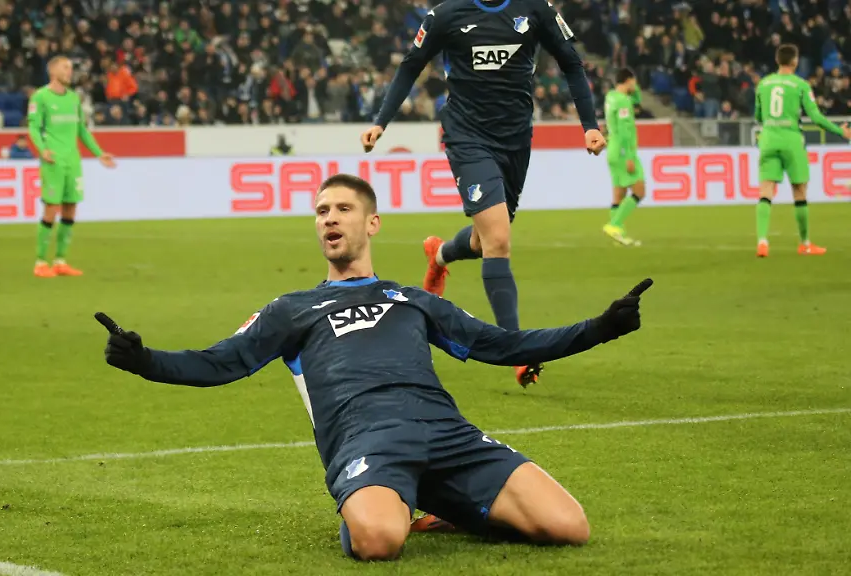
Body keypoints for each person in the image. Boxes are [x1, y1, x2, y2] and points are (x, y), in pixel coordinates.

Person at [96, 174, 653, 561]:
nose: (328, 220)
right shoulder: (292, 309)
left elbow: (500, 344)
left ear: (373, 223)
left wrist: (600, 327)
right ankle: (386, 502)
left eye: (342, 209)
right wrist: (142, 360)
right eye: (320, 212)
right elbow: (220, 362)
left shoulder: (412, 298)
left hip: (446, 431)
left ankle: (437, 498)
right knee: (380, 542)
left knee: (568, 527)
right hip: (367, 441)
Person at [360, 0, 607, 388]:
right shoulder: (446, 15)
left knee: (483, 239)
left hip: (515, 141)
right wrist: (381, 122)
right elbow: (411, 64)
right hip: (467, 137)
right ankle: (518, 351)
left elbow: (572, 63)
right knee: (498, 239)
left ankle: (440, 254)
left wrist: (588, 125)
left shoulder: (536, 10)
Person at [753, 44, 851, 258]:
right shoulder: (800, 85)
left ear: (778, 60)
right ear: (795, 61)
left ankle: (762, 241)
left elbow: (758, 116)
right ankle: (804, 243)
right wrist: (840, 131)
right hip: (791, 139)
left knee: (765, 191)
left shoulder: (763, 84)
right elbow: (815, 118)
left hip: (768, 138)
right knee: (799, 191)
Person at [28, 55, 116, 278]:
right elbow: (33, 127)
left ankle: (60, 261)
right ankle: (40, 263)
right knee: (51, 209)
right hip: (53, 161)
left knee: (70, 209)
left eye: (70, 68)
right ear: (53, 71)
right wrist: (42, 149)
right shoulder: (40, 97)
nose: (70, 72)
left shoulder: (74, 98)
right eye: (65, 68)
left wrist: (98, 153)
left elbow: (82, 131)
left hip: (73, 161)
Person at [602, 67, 645, 246]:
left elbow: (638, 102)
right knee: (639, 191)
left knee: (618, 194)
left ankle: (617, 236)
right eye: (634, 81)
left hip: (611, 149)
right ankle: (615, 224)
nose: (635, 85)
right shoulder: (623, 102)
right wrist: (629, 156)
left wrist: (635, 93)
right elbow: (626, 130)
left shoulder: (610, 97)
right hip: (623, 151)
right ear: (628, 81)